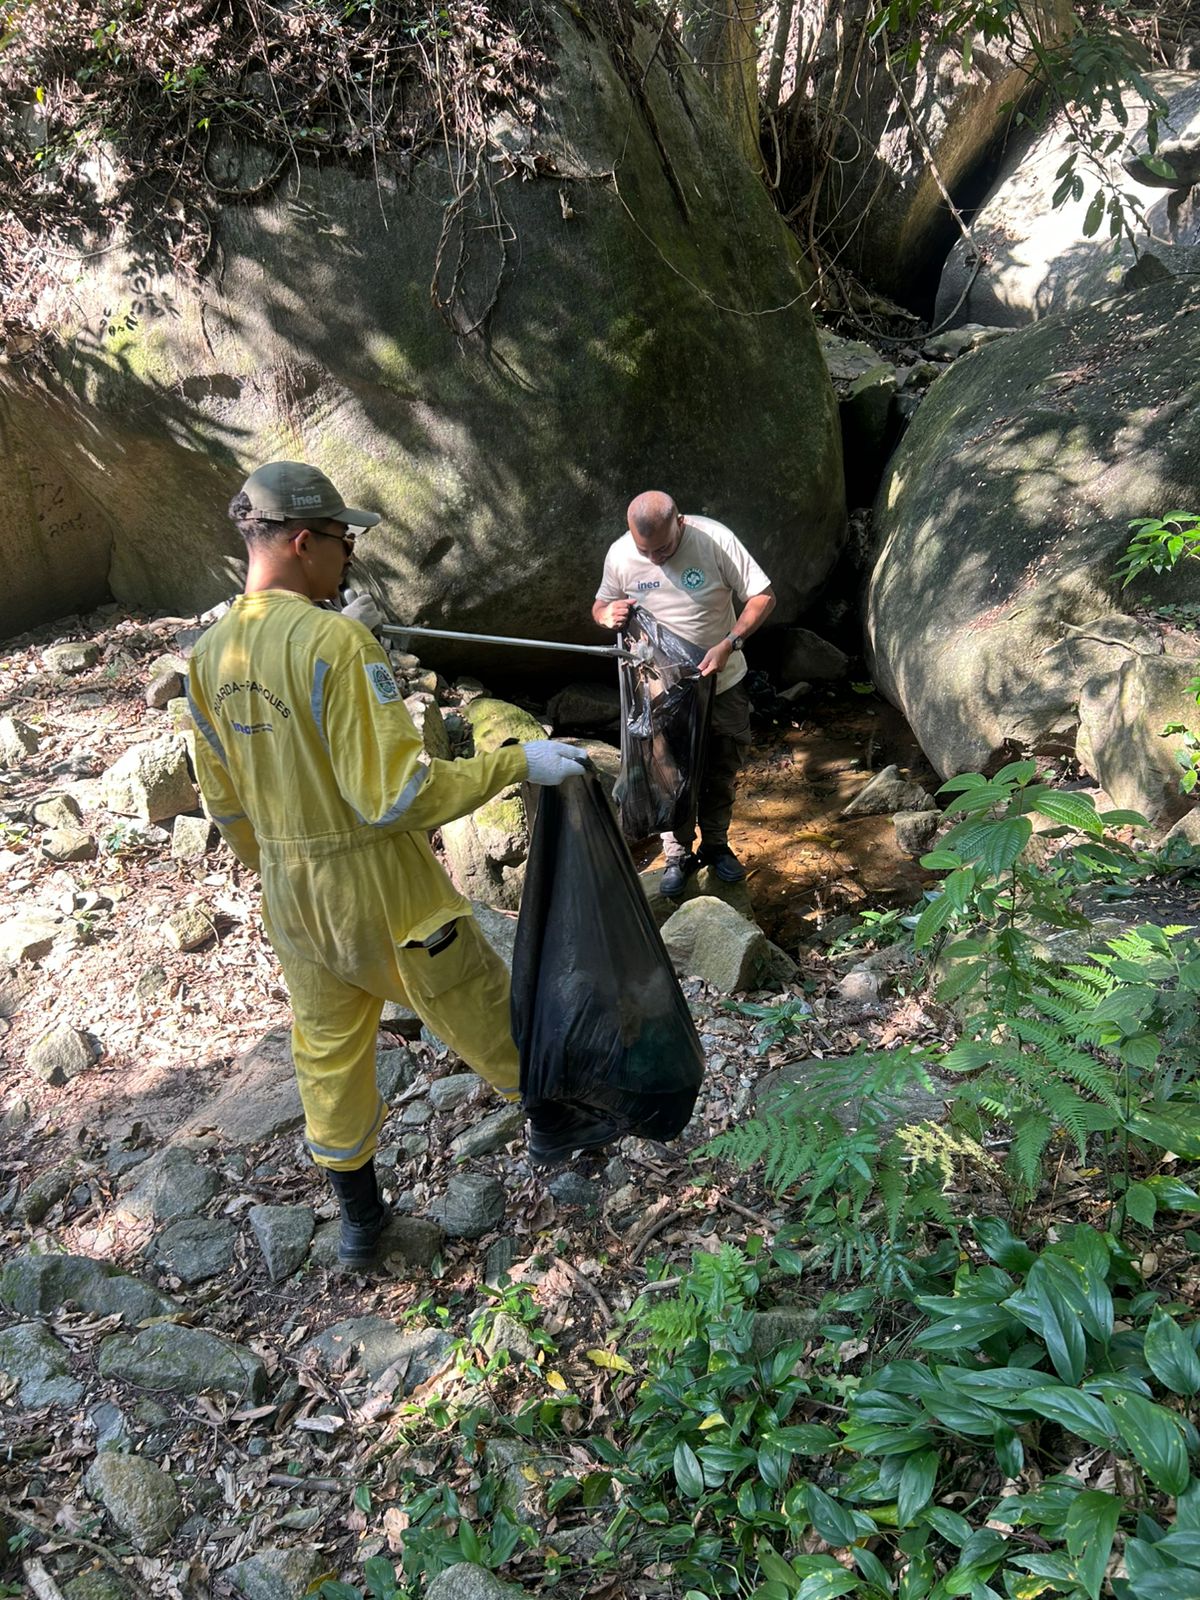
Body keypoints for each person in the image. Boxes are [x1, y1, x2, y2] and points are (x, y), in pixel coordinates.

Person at [187, 461, 589, 1266]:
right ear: (303, 542)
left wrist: (274, 868)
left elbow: (224, 803)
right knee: (474, 998)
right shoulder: (333, 640)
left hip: (290, 894)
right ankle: (561, 1144)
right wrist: (517, 764)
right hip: (376, 881)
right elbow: (399, 793)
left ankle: (362, 1224)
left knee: (327, 1049)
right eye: (343, 542)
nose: (349, 559)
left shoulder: (207, 658)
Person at [593, 491, 775, 896]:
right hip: (659, 690)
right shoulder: (621, 555)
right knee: (668, 772)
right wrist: (607, 615)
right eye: (647, 551)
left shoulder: (714, 540)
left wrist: (731, 642)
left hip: (721, 681)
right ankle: (676, 854)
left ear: (681, 523)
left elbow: (763, 596)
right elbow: (600, 605)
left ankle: (715, 845)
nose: (655, 558)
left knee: (720, 765)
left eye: (663, 549)